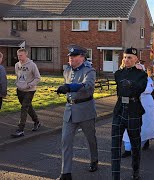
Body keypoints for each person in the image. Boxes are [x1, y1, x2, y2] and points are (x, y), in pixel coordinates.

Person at [56, 45, 98, 180]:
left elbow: (88, 86)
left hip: (85, 110)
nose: (70, 58)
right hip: (70, 110)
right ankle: (66, 173)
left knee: (90, 139)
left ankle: (94, 160)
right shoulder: (67, 70)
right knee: (65, 141)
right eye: (69, 56)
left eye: (73, 56)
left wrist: (69, 87)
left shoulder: (89, 71)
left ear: (82, 57)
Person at [111, 47, 147, 180]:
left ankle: (135, 171)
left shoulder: (141, 74)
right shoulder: (118, 73)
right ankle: (115, 175)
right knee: (115, 146)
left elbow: (141, 87)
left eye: (130, 57)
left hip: (133, 110)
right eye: (125, 57)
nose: (126, 60)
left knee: (135, 144)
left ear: (136, 59)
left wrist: (131, 84)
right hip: (120, 109)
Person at [122, 65, 154, 158]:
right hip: (131, 104)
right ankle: (127, 149)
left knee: (145, 125)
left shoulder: (147, 79)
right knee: (128, 126)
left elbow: (148, 89)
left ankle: (145, 141)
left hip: (145, 104)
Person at [11, 48, 41, 138]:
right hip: (20, 90)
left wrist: (29, 85)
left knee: (24, 108)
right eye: (18, 55)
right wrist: (17, 83)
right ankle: (37, 121)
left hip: (29, 90)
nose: (19, 57)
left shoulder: (32, 65)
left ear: (26, 55)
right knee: (28, 107)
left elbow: (38, 78)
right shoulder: (17, 65)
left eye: (21, 55)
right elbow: (18, 76)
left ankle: (20, 129)